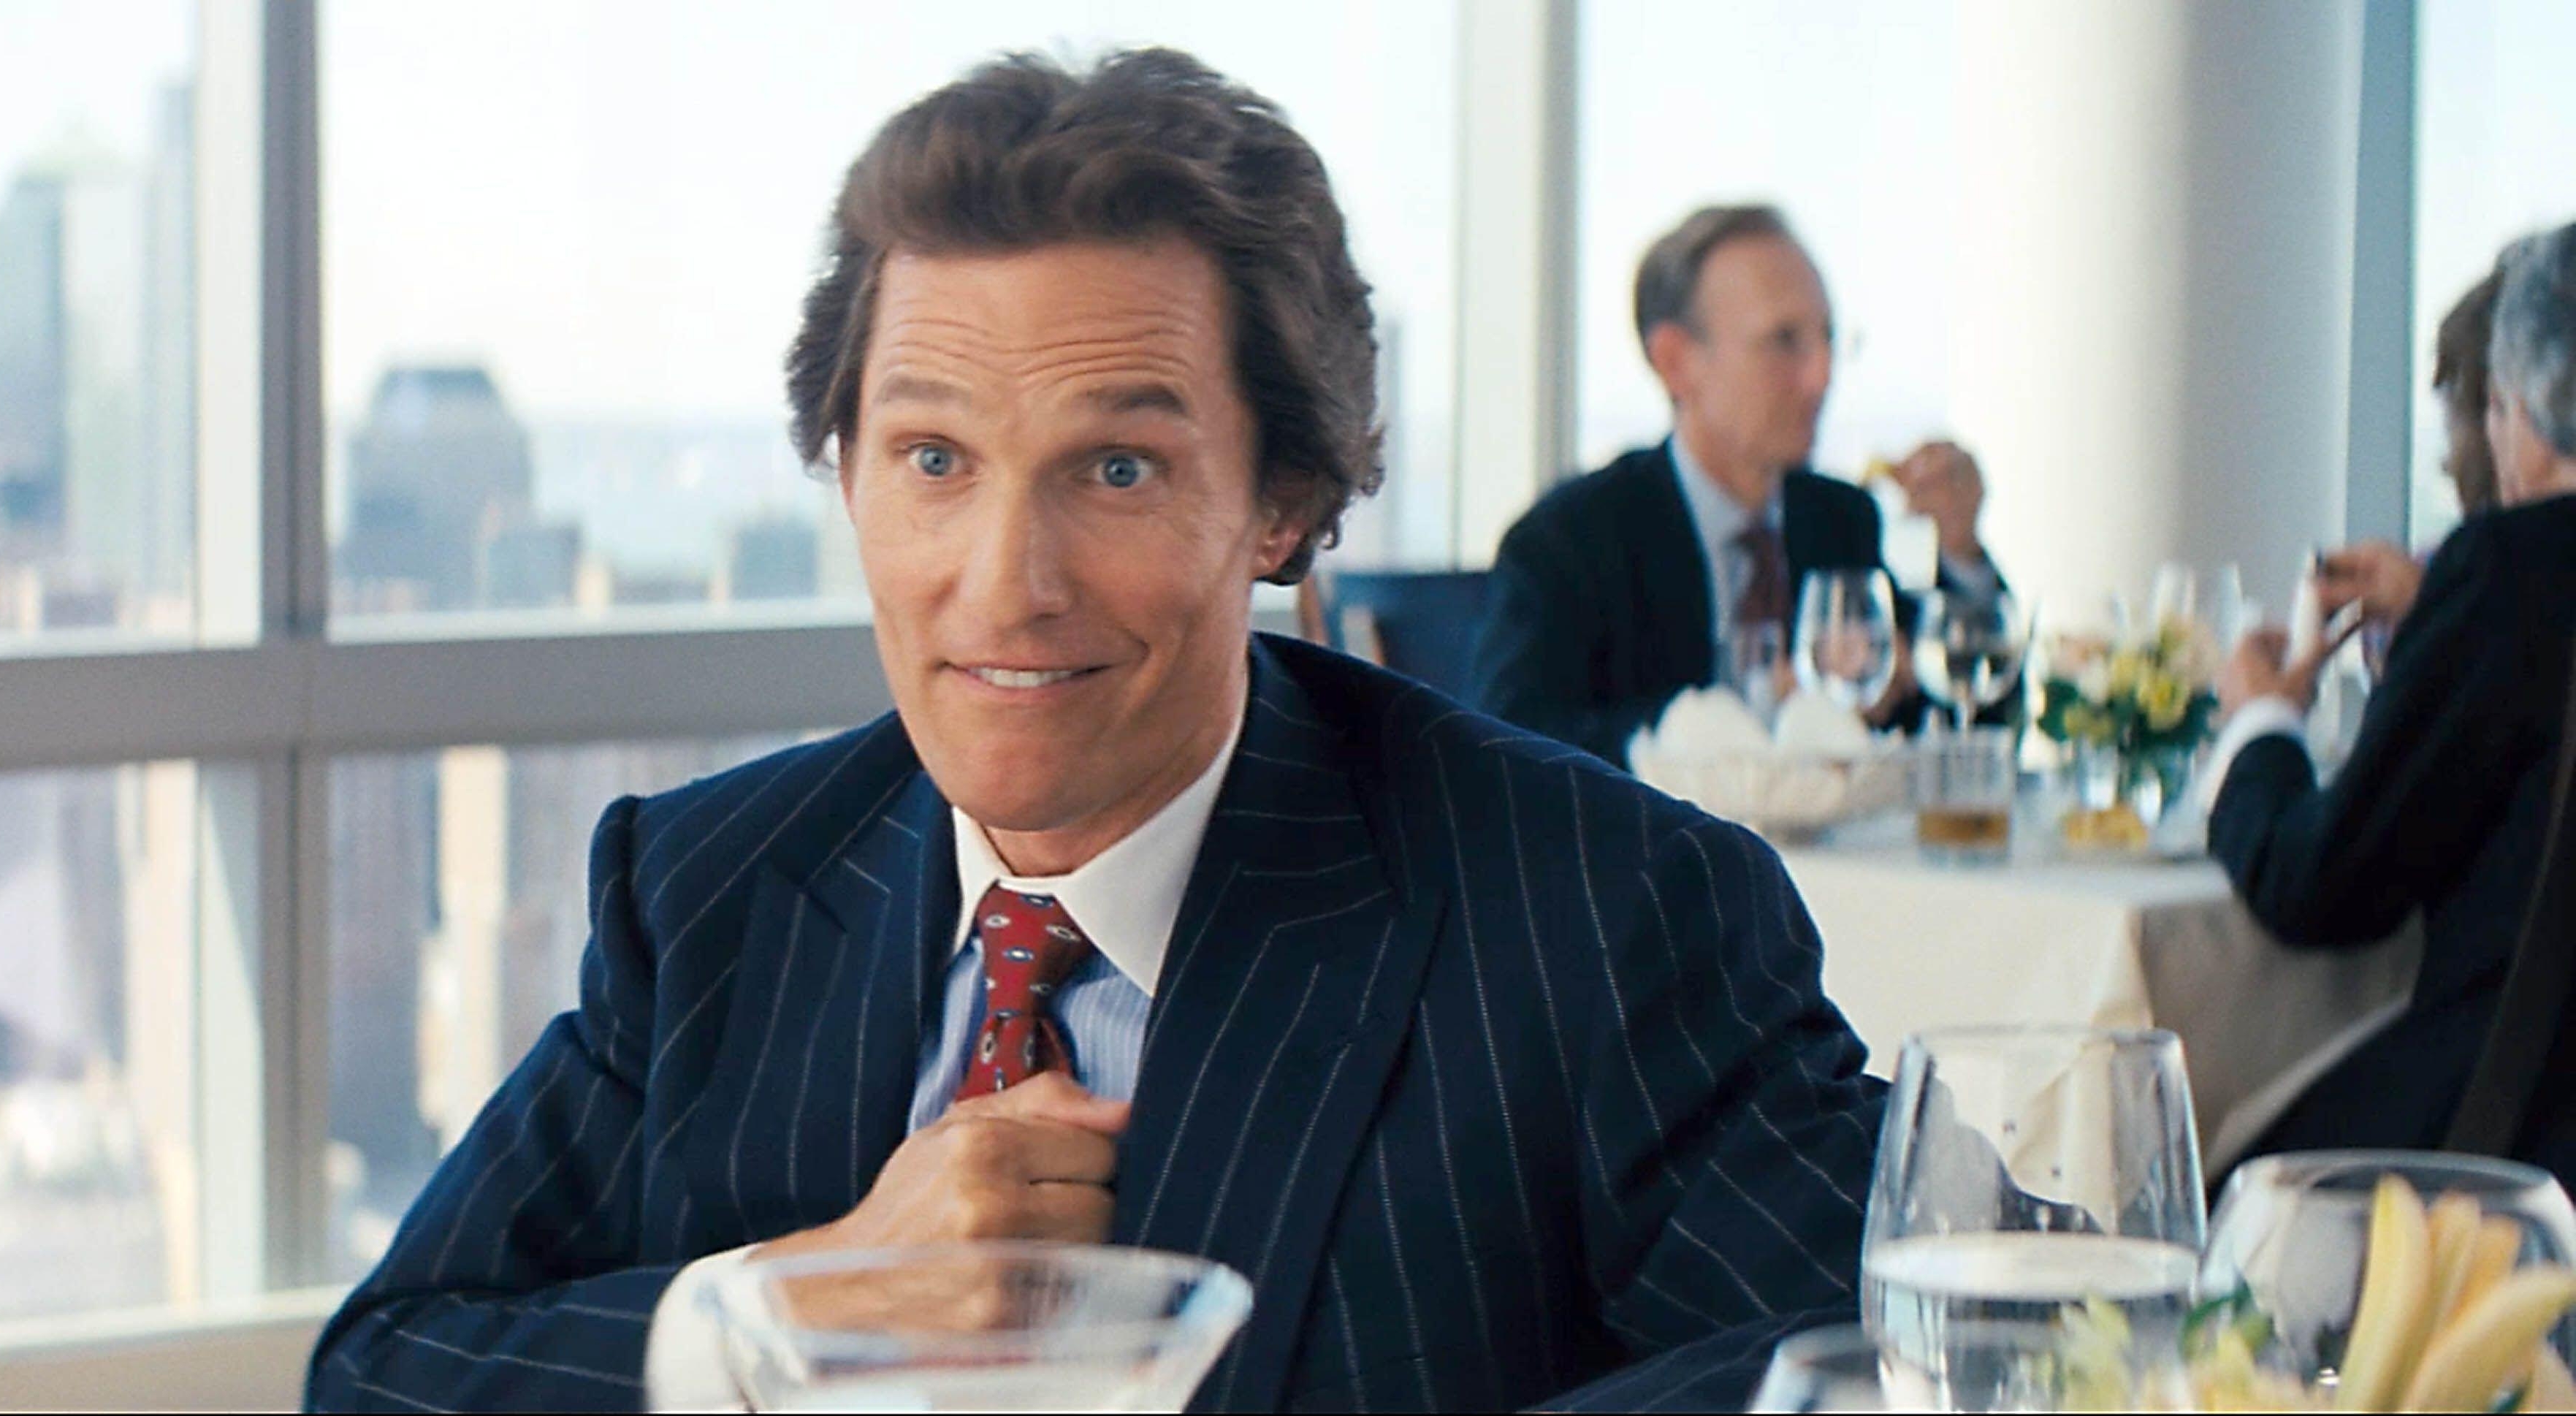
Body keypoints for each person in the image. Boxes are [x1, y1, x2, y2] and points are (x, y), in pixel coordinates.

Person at [305, 50, 1886, 1414]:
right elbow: (381, 1371)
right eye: (931, 459)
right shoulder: (707, 893)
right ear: (840, 469)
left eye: (1115, 469)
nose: (1006, 587)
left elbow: (1917, 1340)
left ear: (1279, 500)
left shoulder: (1598, 914)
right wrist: (788, 1313)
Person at [2203, 221, 2576, 1187]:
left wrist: (2259, 719)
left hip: (2512, 1145)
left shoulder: (2508, 570)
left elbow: (2319, 885)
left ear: (2524, 405)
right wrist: (2445, 619)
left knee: (2184, 1170)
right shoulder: (2507, 596)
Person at [1472, 204, 2005, 767]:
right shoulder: (1570, 539)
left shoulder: (1838, 518)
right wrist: (1738, 718)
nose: (1822, 376)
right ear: (1676, 361)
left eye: (1827, 339)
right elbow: (1507, 741)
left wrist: (1960, 546)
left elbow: (1974, 722)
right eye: (1785, 341)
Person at [2312, 267, 2507, 647]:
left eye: (2456, 421)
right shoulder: (2443, 575)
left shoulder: (2456, 586)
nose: (2448, 466)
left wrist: (2429, 614)